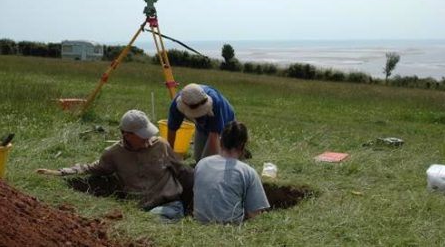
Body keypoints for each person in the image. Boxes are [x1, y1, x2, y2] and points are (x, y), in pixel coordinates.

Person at [37, 109, 193, 222]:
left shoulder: (161, 145)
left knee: (153, 222)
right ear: (127, 135)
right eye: (143, 135)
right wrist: (60, 172)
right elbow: (92, 168)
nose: (148, 138)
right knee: (142, 222)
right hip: (140, 208)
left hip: (170, 205)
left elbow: (183, 170)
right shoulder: (113, 154)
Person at [193, 121, 270, 224]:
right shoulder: (247, 172)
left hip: (199, 223)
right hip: (229, 227)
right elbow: (254, 215)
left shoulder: (201, 164)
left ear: (221, 141)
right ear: (243, 145)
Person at [167, 83, 235, 162]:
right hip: (202, 127)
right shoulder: (176, 106)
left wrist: (215, 164)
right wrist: (169, 155)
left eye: (201, 112)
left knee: (207, 161)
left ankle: (235, 148)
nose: (199, 116)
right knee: (198, 159)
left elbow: (214, 136)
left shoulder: (215, 102)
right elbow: (171, 131)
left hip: (225, 122)